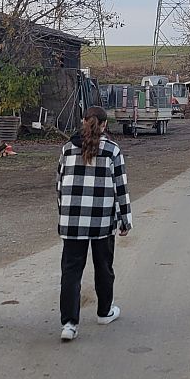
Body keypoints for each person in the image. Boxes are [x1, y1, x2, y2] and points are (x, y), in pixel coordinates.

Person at [58, 105, 132, 341]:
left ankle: (69, 324)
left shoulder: (67, 149)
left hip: (72, 220)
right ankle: (104, 311)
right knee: (103, 267)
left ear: (83, 121)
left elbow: (59, 186)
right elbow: (120, 187)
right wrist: (125, 219)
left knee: (71, 272)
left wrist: (63, 213)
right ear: (104, 125)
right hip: (101, 220)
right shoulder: (112, 150)